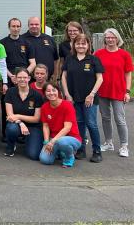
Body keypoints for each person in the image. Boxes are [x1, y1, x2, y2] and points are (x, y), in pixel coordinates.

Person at [61, 33, 104, 163]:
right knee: (79, 124)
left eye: (83, 43)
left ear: (88, 45)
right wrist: (67, 94)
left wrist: (92, 94)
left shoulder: (94, 59)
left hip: (89, 99)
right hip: (73, 98)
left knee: (91, 124)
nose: (81, 46)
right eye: (78, 43)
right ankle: (81, 150)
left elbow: (100, 78)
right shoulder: (69, 59)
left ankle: (97, 151)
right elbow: (63, 77)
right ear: (74, 45)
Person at [94, 28, 132, 158]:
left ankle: (124, 146)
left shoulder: (124, 54)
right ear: (105, 39)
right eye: (108, 37)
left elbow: (128, 74)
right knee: (105, 118)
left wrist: (127, 91)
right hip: (102, 91)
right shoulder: (98, 54)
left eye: (113, 37)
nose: (110, 40)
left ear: (117, 39)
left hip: (119, 91)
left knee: (120, 119)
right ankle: (108, 142)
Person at [39, 82, 82, 168]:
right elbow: (46, 126)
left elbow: (67, 128)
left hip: (71, 138)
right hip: (54, 139)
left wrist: (52, 141)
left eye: (53, 90)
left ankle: (69, 157)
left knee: (62, 141)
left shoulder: (67, 105)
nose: (51, 93)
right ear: (44, 93)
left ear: (58, 91)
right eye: (48, 91)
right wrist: (46, 142)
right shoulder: (44, 107)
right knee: (45, 160)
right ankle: (60, 152)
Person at [4, 68, 44, 160]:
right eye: (19, 77)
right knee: (12, 128)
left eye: (25, 77)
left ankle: (29, 141)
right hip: (16, 124)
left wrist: (18, 116)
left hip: (33, 126)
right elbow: (10, 115)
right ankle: (11, 145)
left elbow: (36, 119)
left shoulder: (36, 95)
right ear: (15, 79)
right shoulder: (10, 92)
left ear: (29, 78)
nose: (22, 79)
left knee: (33, 155)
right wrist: (21, 123)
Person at [21, 17, 59, 82]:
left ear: (41, 25)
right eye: (31, 24)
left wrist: (55, 75)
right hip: (28, 80)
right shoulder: (22, 39)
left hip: (48, 80)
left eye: (36, 24)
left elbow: (56, 59)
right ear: (28, 25)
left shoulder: (50, 39)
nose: (34, 26)